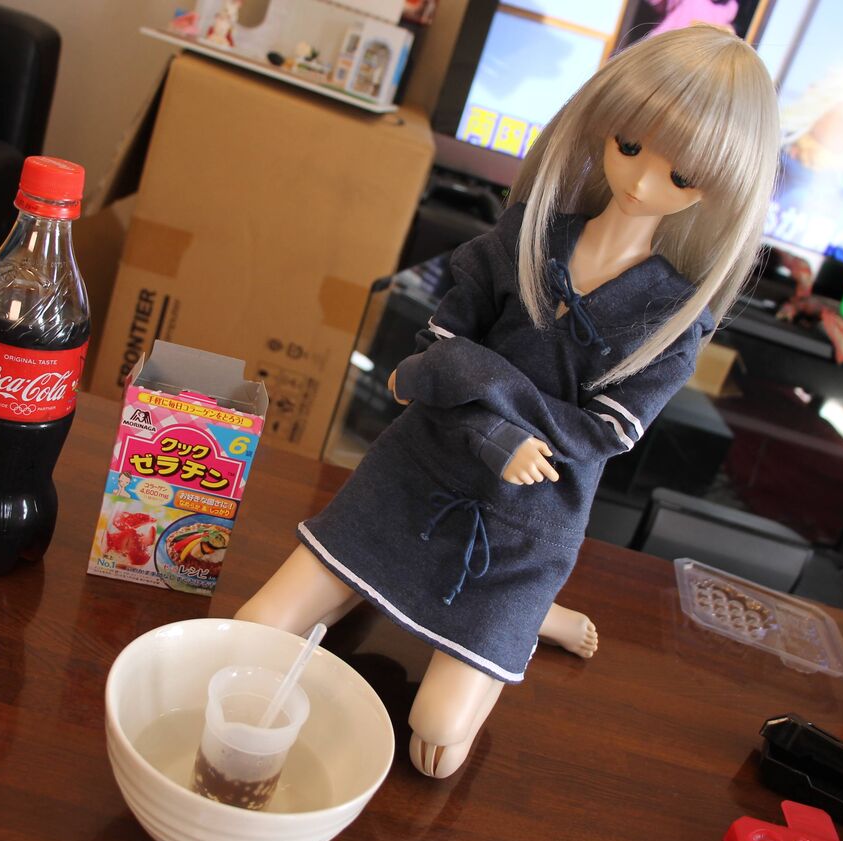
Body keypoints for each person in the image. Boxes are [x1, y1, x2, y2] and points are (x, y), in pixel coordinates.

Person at [236, 25, 780, 778]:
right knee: (253, 629)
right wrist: (485, 418)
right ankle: (523, 614)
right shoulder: (528, 232)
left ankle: (529, 615)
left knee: (435, 744)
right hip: (418, 469)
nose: (642, 182)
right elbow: (439, 339)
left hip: (526, 519)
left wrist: (467, 375)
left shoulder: (675, 320)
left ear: (717, 190)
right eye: (629, 145)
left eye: (681, 174)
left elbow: (599, 432)